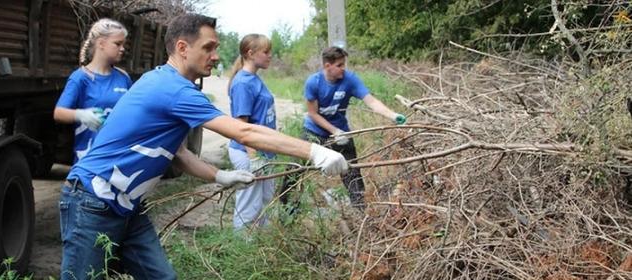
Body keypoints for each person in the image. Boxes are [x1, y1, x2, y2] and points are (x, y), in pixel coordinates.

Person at [58, 14, 349, 280]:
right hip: (93, 199)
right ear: (183, 48)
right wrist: (314, 152)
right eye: (208, 48)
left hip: (126, 207)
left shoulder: (166, 81)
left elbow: (178, 152)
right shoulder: (173, 89)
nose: (216, 56)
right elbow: (244, 131)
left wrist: (218, 176)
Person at [284, 46, 406, 210]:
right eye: (340, 65)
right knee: (294, 169)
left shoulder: (350, 80)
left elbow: (371, 101)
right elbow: (313, 114)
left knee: (352, 172)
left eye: (344, 65)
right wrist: (334, 131)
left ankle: (361, 211)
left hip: (342, 132)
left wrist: (392, 115)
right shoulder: (314, 82)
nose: (343, 69)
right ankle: (287, 207)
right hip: (314, 131)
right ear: (328, 66)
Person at [53, 18, 132, 163]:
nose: (123, 49)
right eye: (117, 44)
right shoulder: (81, 78)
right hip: (90, 160)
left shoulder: (123, 77)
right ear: (101, 43)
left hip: (119, 159)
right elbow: (58, 113)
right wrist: (81, 114)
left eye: (123, 44)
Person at [227, 34, 277, 230]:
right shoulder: (242, 83)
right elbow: (241, 127)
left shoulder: (254, 79)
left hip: (265, 152)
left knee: (266, 203)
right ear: (250, 53)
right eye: (266, 52)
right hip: (249, 153)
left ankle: (264, 247)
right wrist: (254, 159)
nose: (270, 56)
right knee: (248, 207)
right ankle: (242, 251)